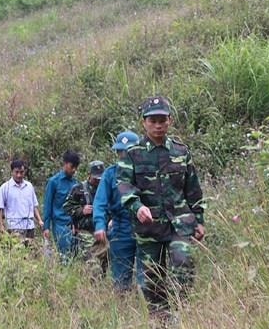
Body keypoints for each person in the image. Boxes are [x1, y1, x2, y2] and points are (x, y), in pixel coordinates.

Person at [117, 95, 205, 312]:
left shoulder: (180, 151)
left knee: (183, 262)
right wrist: (137, 207)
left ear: (170, 121)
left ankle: (181, 311)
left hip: (180, 222)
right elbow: (124, 186)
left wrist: (199, 220)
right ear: (143, 122)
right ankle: (160, 321)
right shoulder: (132, 153)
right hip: (149, 226)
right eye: (152, 120)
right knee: (152, 278)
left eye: (162, 120)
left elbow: (193, 189)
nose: (158, 125)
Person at [93, 131, 140, 291]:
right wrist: (100, 225)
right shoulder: (110, 174)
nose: (124, 155)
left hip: (145, 229)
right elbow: (99, 202)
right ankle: (122, 310)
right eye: (121, 152)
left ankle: (150, 313)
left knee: (148, 278)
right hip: (121, 230)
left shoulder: (145, 171)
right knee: (120, 280)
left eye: (128, 151)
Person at [64, 161, 108, 278]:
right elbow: (67, 207)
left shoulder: (106, 188)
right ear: (88, 174)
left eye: (100, 178)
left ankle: (101, 288)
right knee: (92, 263)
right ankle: (92, 286)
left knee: (105, 263)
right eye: (95, 178)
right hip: (85, 232)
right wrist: (81, 210)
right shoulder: (78, 189)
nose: (98, 181)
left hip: (103, 231)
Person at [42, 150, 81, 260]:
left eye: (76, 167)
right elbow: (47, 204)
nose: (74, 170)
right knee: (64, 257)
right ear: (65, 163)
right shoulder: (53, 182)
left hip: (73, 226)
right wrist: (46, 227)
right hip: (59, 225)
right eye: (72, 166)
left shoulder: (76, 183)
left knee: (75, 256)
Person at [0, 160, 42, 245]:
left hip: (29, 226)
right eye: (16, 172)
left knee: (30, 252)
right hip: (13, 227)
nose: (19, 175)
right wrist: (1, 226)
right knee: (17, 252)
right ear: (12, 172)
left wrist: (39, 220)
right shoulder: (5, 188)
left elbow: (34, 206)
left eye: (21, 172)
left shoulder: (29, 186)